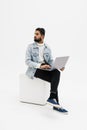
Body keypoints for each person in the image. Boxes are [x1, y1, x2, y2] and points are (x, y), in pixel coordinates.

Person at [25, 27, 68, 113]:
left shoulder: (47, 47)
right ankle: (55, 103)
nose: (34, 36)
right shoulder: (30, 47)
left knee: (56, 73)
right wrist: (40, 65)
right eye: (34, 34)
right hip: (35, 69)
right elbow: (27, 61)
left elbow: (50, 61)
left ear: (42, 36)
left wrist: (58, 66)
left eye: (37, 34)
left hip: (46, 68)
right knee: (54, 80)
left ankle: (52, 99)